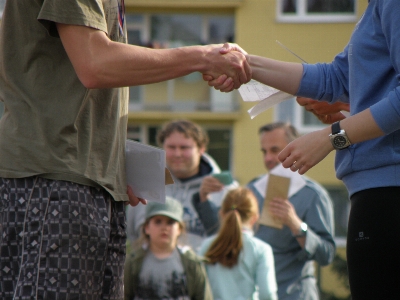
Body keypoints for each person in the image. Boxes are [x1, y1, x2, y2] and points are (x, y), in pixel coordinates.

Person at [0, 1, 251, 299]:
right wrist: (200, 56)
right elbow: (94, 63)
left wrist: (109, 168)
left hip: (87, 185)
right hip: (54, 181)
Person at [209, 1, 400, 298]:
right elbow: (336, 78)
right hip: (377, 192)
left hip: (389, 192)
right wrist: (245, 63)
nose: (271, 158)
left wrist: (332, 137)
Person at [195, 122, 335, 299]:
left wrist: (298, 225)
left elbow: (327, 255)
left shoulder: (313, 195)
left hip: (294, 294)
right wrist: (204, 199)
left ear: (295, 148)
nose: (268, 158)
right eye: (264, 151)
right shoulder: (253, 190)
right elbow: (223, 234)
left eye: (275, 150)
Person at [127, 120, 238, 250]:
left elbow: (233, 237)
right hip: (154, 268)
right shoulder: (145, 186)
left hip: (205, 267)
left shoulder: (226, 190)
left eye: (184, 148)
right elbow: (132, 234)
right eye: (171, 147)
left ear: (201, 149)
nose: (177, 154)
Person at [124, 196, 212, 300]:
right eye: (158, 221)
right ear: (146, 228)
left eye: (170, 222)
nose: (164, 227)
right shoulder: (133, 262)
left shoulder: (192, 263)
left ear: (179, 228)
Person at [199, 187, 278, 300]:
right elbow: (267, 294)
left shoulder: (207, 245)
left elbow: (198, 288)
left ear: (221, 214)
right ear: (254, 218)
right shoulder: (261, 249)